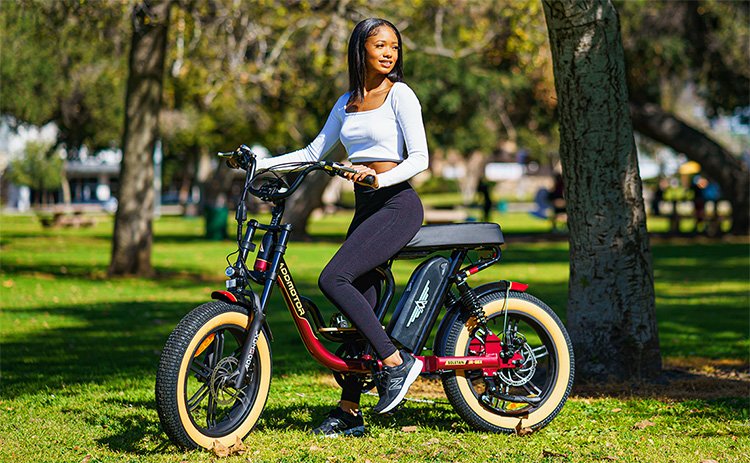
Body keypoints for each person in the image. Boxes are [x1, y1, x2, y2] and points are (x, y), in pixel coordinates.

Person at [254, 18, 428, 437]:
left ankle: (395, 363)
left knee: (334, 278)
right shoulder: (346, 102)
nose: (389, 53)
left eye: (394, 47)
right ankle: (350, 411)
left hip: (398, 202)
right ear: (360, 51)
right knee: (356, 306)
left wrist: (377, 178)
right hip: (366, 207)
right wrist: (259, 163)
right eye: (380, 45)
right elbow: (314, 151)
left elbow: (420, 157)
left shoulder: (400, 95)